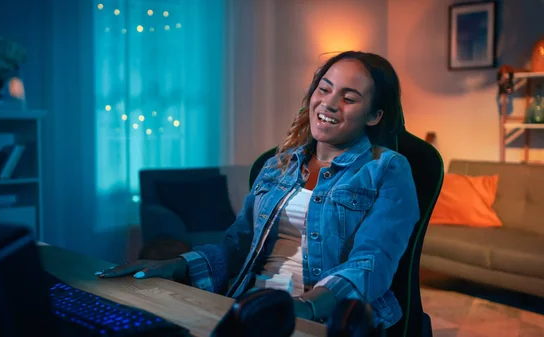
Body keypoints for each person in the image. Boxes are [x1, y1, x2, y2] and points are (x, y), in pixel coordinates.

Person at [96, 51, 419, 329]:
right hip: (250, 304)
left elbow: (372, 261)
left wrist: (304, 308)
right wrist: (175, 265)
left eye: (349, 98)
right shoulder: (276, 164)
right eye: (324, 89)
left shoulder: (387, 169)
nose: (330, 104)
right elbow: (238, 247)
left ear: (375, 115)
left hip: (326, 317)